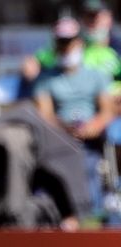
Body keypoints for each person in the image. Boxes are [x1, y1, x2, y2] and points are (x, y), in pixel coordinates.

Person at [34, 16, 115, 224]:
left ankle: (89, 214)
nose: (65, 48)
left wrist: (94, 126)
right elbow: (45, 114)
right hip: (58, 141)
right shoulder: (45, 79)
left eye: (69, 42)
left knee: (88, 167)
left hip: (89, 142)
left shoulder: (95, 76)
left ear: (79, 43)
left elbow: (107, 109)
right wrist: (65, 129)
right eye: (61, 43)